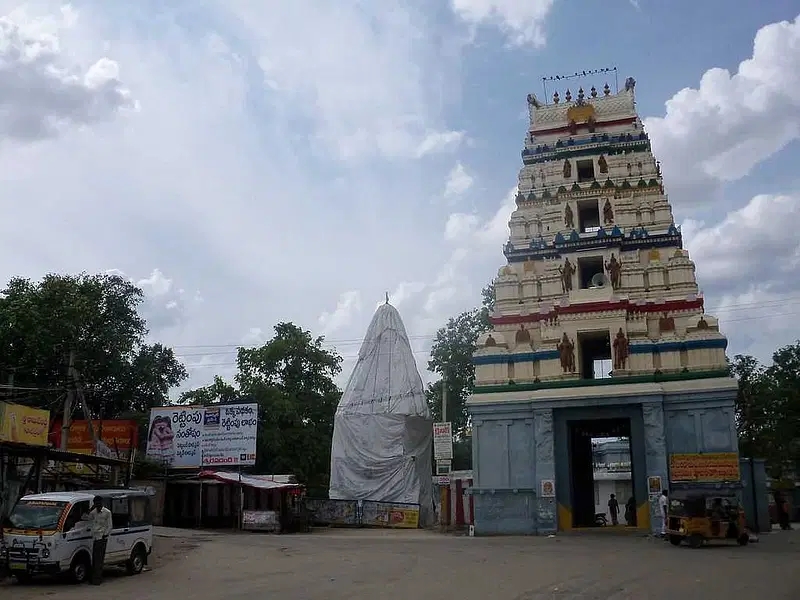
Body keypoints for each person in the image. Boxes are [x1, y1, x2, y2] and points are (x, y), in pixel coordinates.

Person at [83, 496, 113, 585]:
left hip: (101, 537)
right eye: (95, 503)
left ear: (101, 503)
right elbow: (85, 518)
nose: (97, 505)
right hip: (94, 537)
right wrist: (90, 509)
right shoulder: (93, 512)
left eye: (98, 503)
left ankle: (97, 579)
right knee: (94, 559)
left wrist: (105, 535)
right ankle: (93, 578)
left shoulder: (107, 512)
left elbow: (110, 526)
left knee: (99, 559)